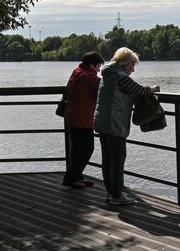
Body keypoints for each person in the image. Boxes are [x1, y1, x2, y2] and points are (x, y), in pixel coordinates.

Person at [94, 47, 160, 205]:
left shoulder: (107, 74)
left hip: (102, 122)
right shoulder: (120, 76)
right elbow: (138, 90)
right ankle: (117, 196)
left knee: (108, 159)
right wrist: (153, 89)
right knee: (117, 159)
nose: (133, 70)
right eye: (133, 66)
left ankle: (111, 193)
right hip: (114, 123)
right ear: (126, 64)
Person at [62, 51, 105, 188]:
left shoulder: (77, 71)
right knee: (87, 149)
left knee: (77, 149)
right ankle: (70, 178)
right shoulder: (88, 76)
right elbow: (106, 86)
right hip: (82, 118)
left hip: (73, 116)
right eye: (98, 66)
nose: (99, 70)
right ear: (92, 65)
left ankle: (77, 176)